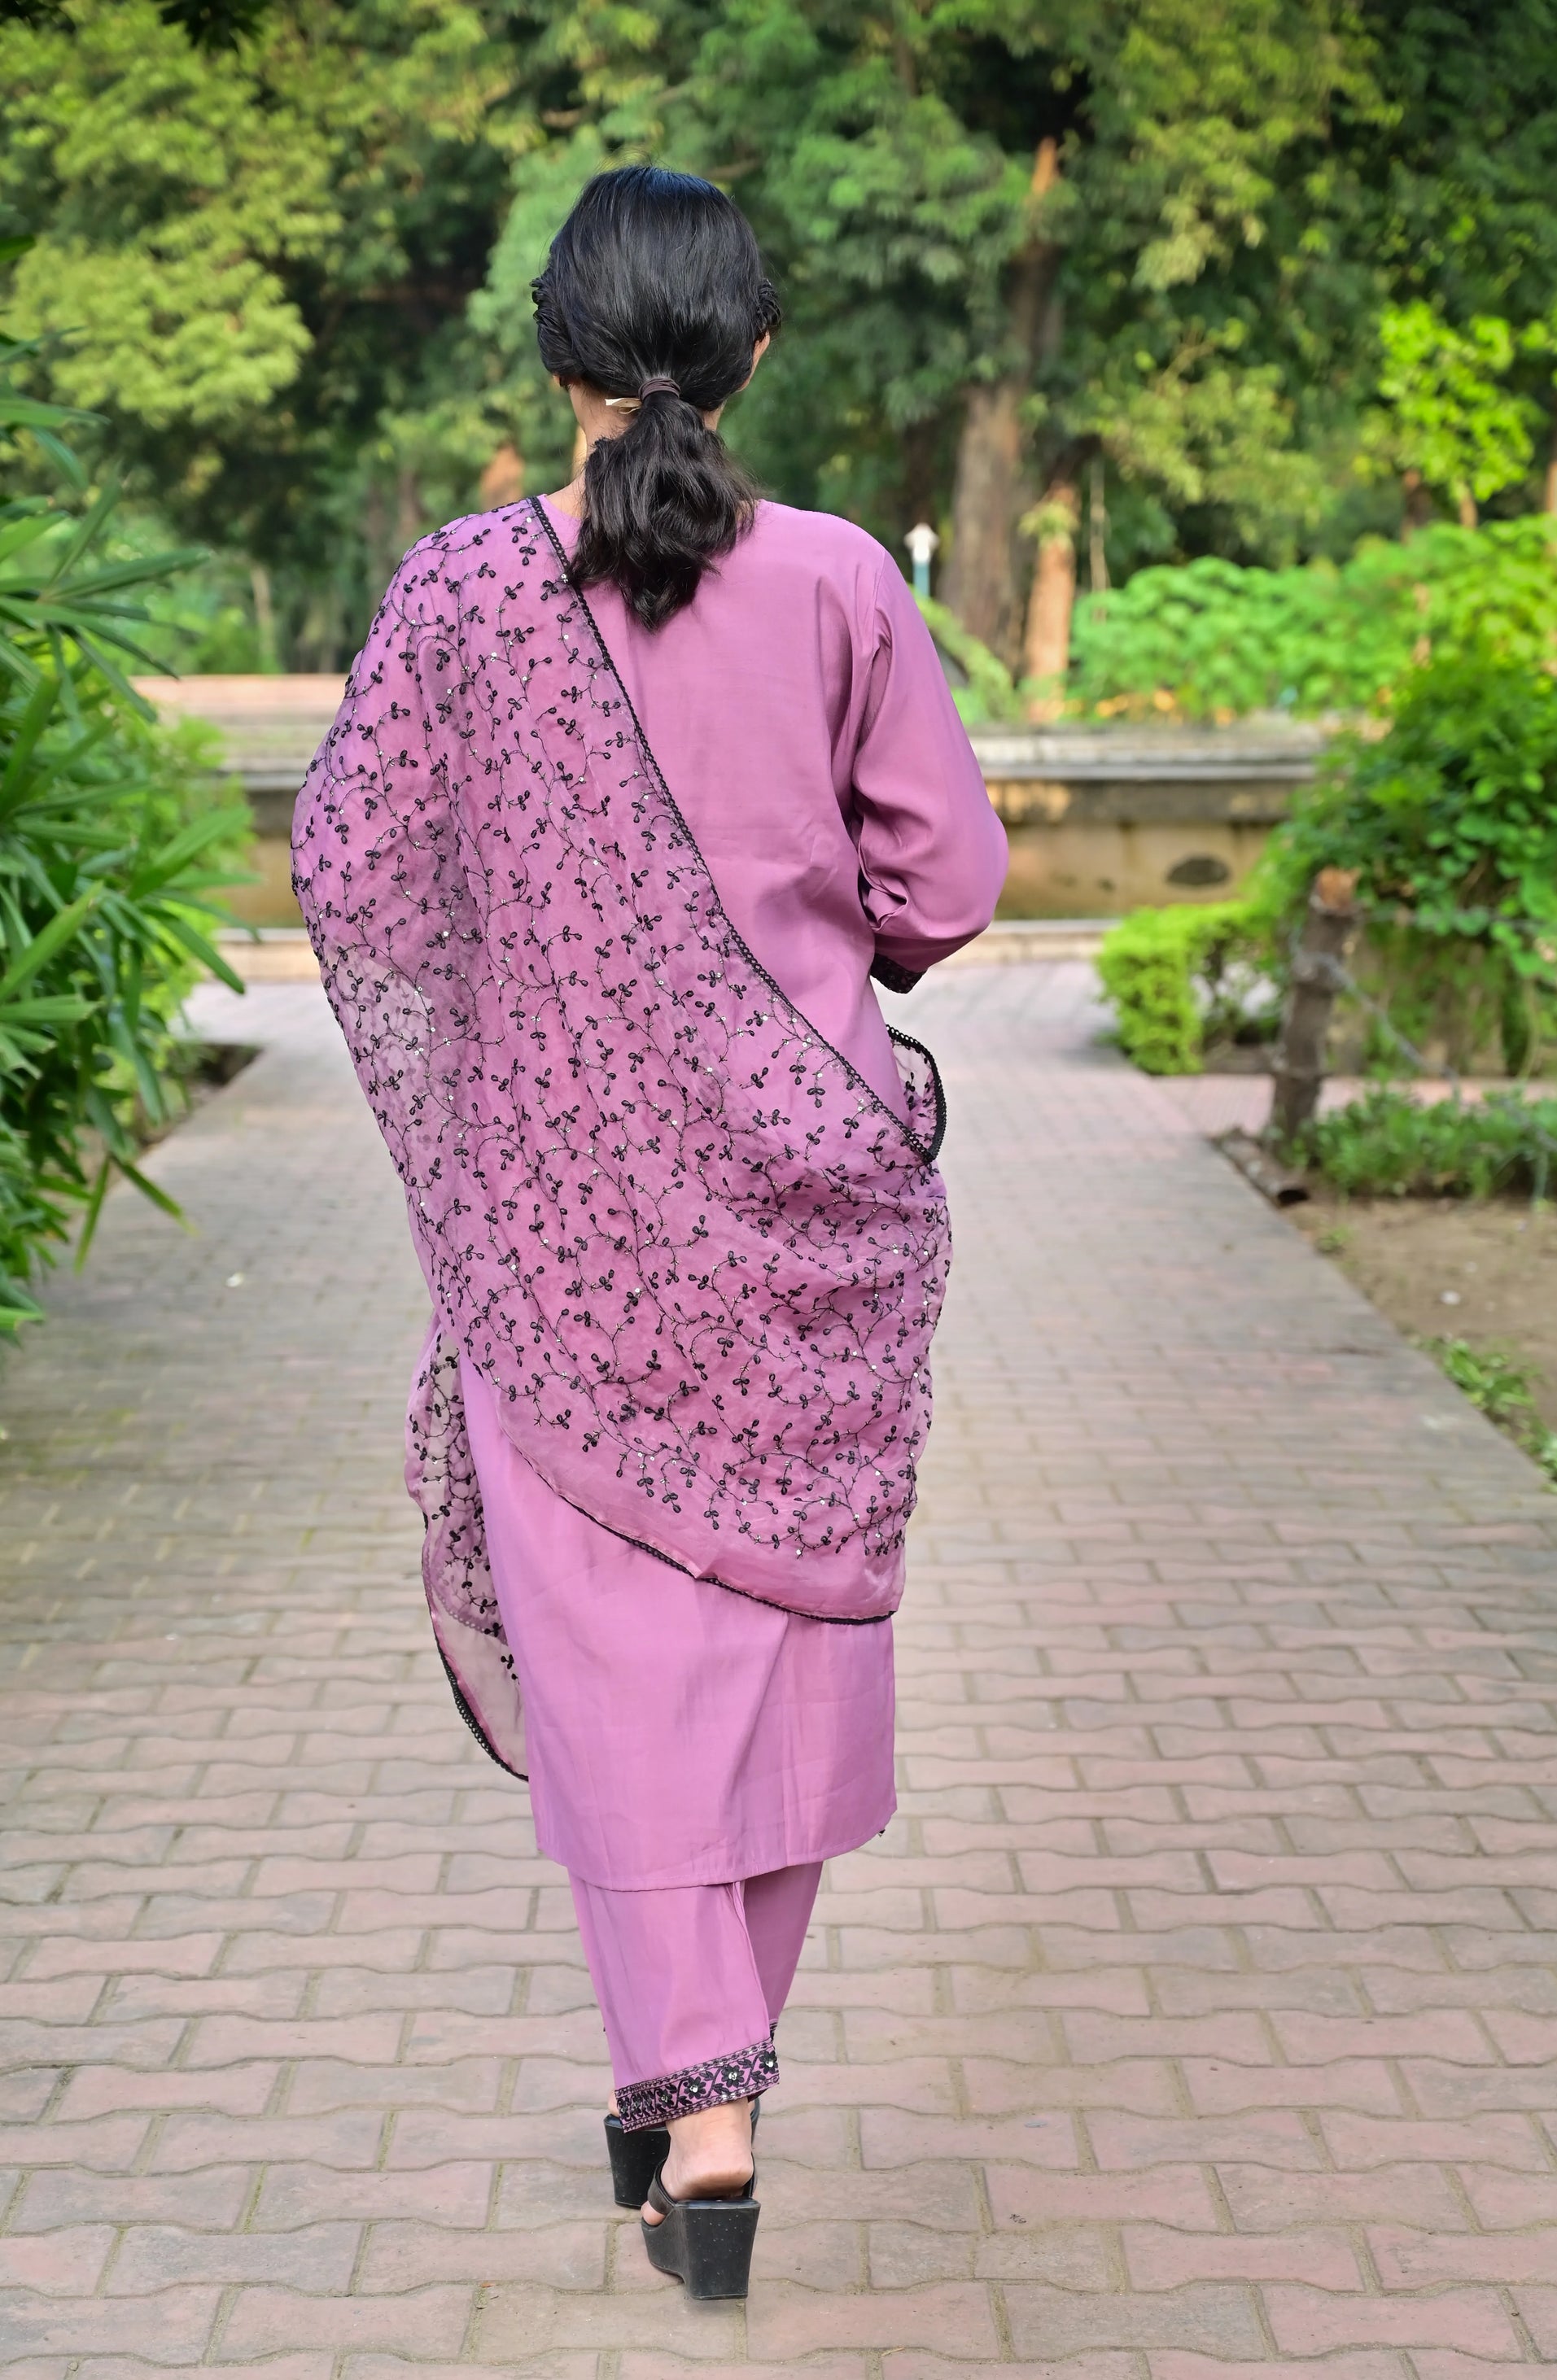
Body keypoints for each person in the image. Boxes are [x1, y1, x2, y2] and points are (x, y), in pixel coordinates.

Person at [292, 163, 1007, 2299]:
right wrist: (792, 974)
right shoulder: (841, 587)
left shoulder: (456, 592)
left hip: (560, 1231)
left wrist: (536, 994)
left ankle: (691, 2107)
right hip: (813, 1213)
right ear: (755, 353)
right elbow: (946, 886)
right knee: (783, 1656)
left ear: (557, 363)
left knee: (617, 1682)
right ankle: (710, 2092)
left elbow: (348, 861)